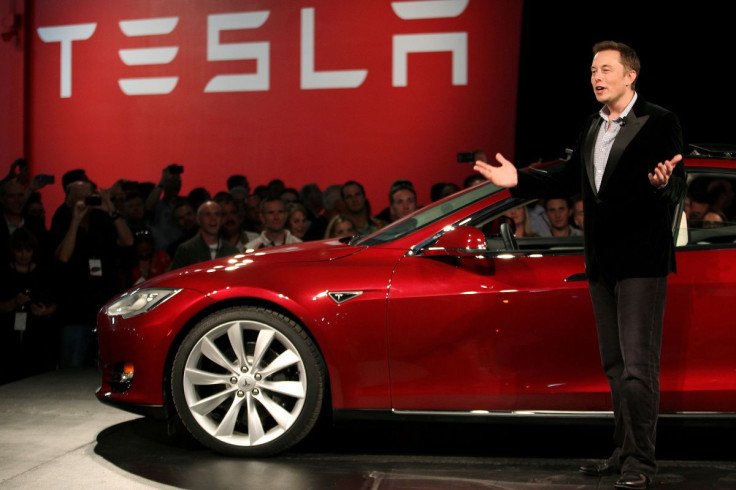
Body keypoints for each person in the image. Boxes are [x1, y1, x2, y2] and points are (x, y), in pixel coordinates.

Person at [473, 41, 686, 490]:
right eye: (592, 70)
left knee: (637, 367)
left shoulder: (659, 120)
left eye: (606, 69)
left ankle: (641, 464)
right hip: (601, 261)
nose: (596, 76)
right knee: (613, 364)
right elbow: (569, 179)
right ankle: (621, 450)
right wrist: (518, 181)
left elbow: (672, 181)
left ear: (631, 75)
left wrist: (662, 183)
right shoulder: (592, 124)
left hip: (641, 262)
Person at [50, 179, 134, 368]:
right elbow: (63, 256)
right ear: (68, 200)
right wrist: (76, 220)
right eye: (78, 197)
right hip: (75, 310)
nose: (84, 201)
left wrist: (111, 209)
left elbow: (128, 241)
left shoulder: (103, 218)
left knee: (109, 366)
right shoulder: (63, 218)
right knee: (71, 370)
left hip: (105, 306)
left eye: (88, 196)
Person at [169, 200, 238, 270]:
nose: (213, 219)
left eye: (217, 214)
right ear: (198, 220)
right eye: (207, 214)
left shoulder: (231, 251)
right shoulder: (186, 250)